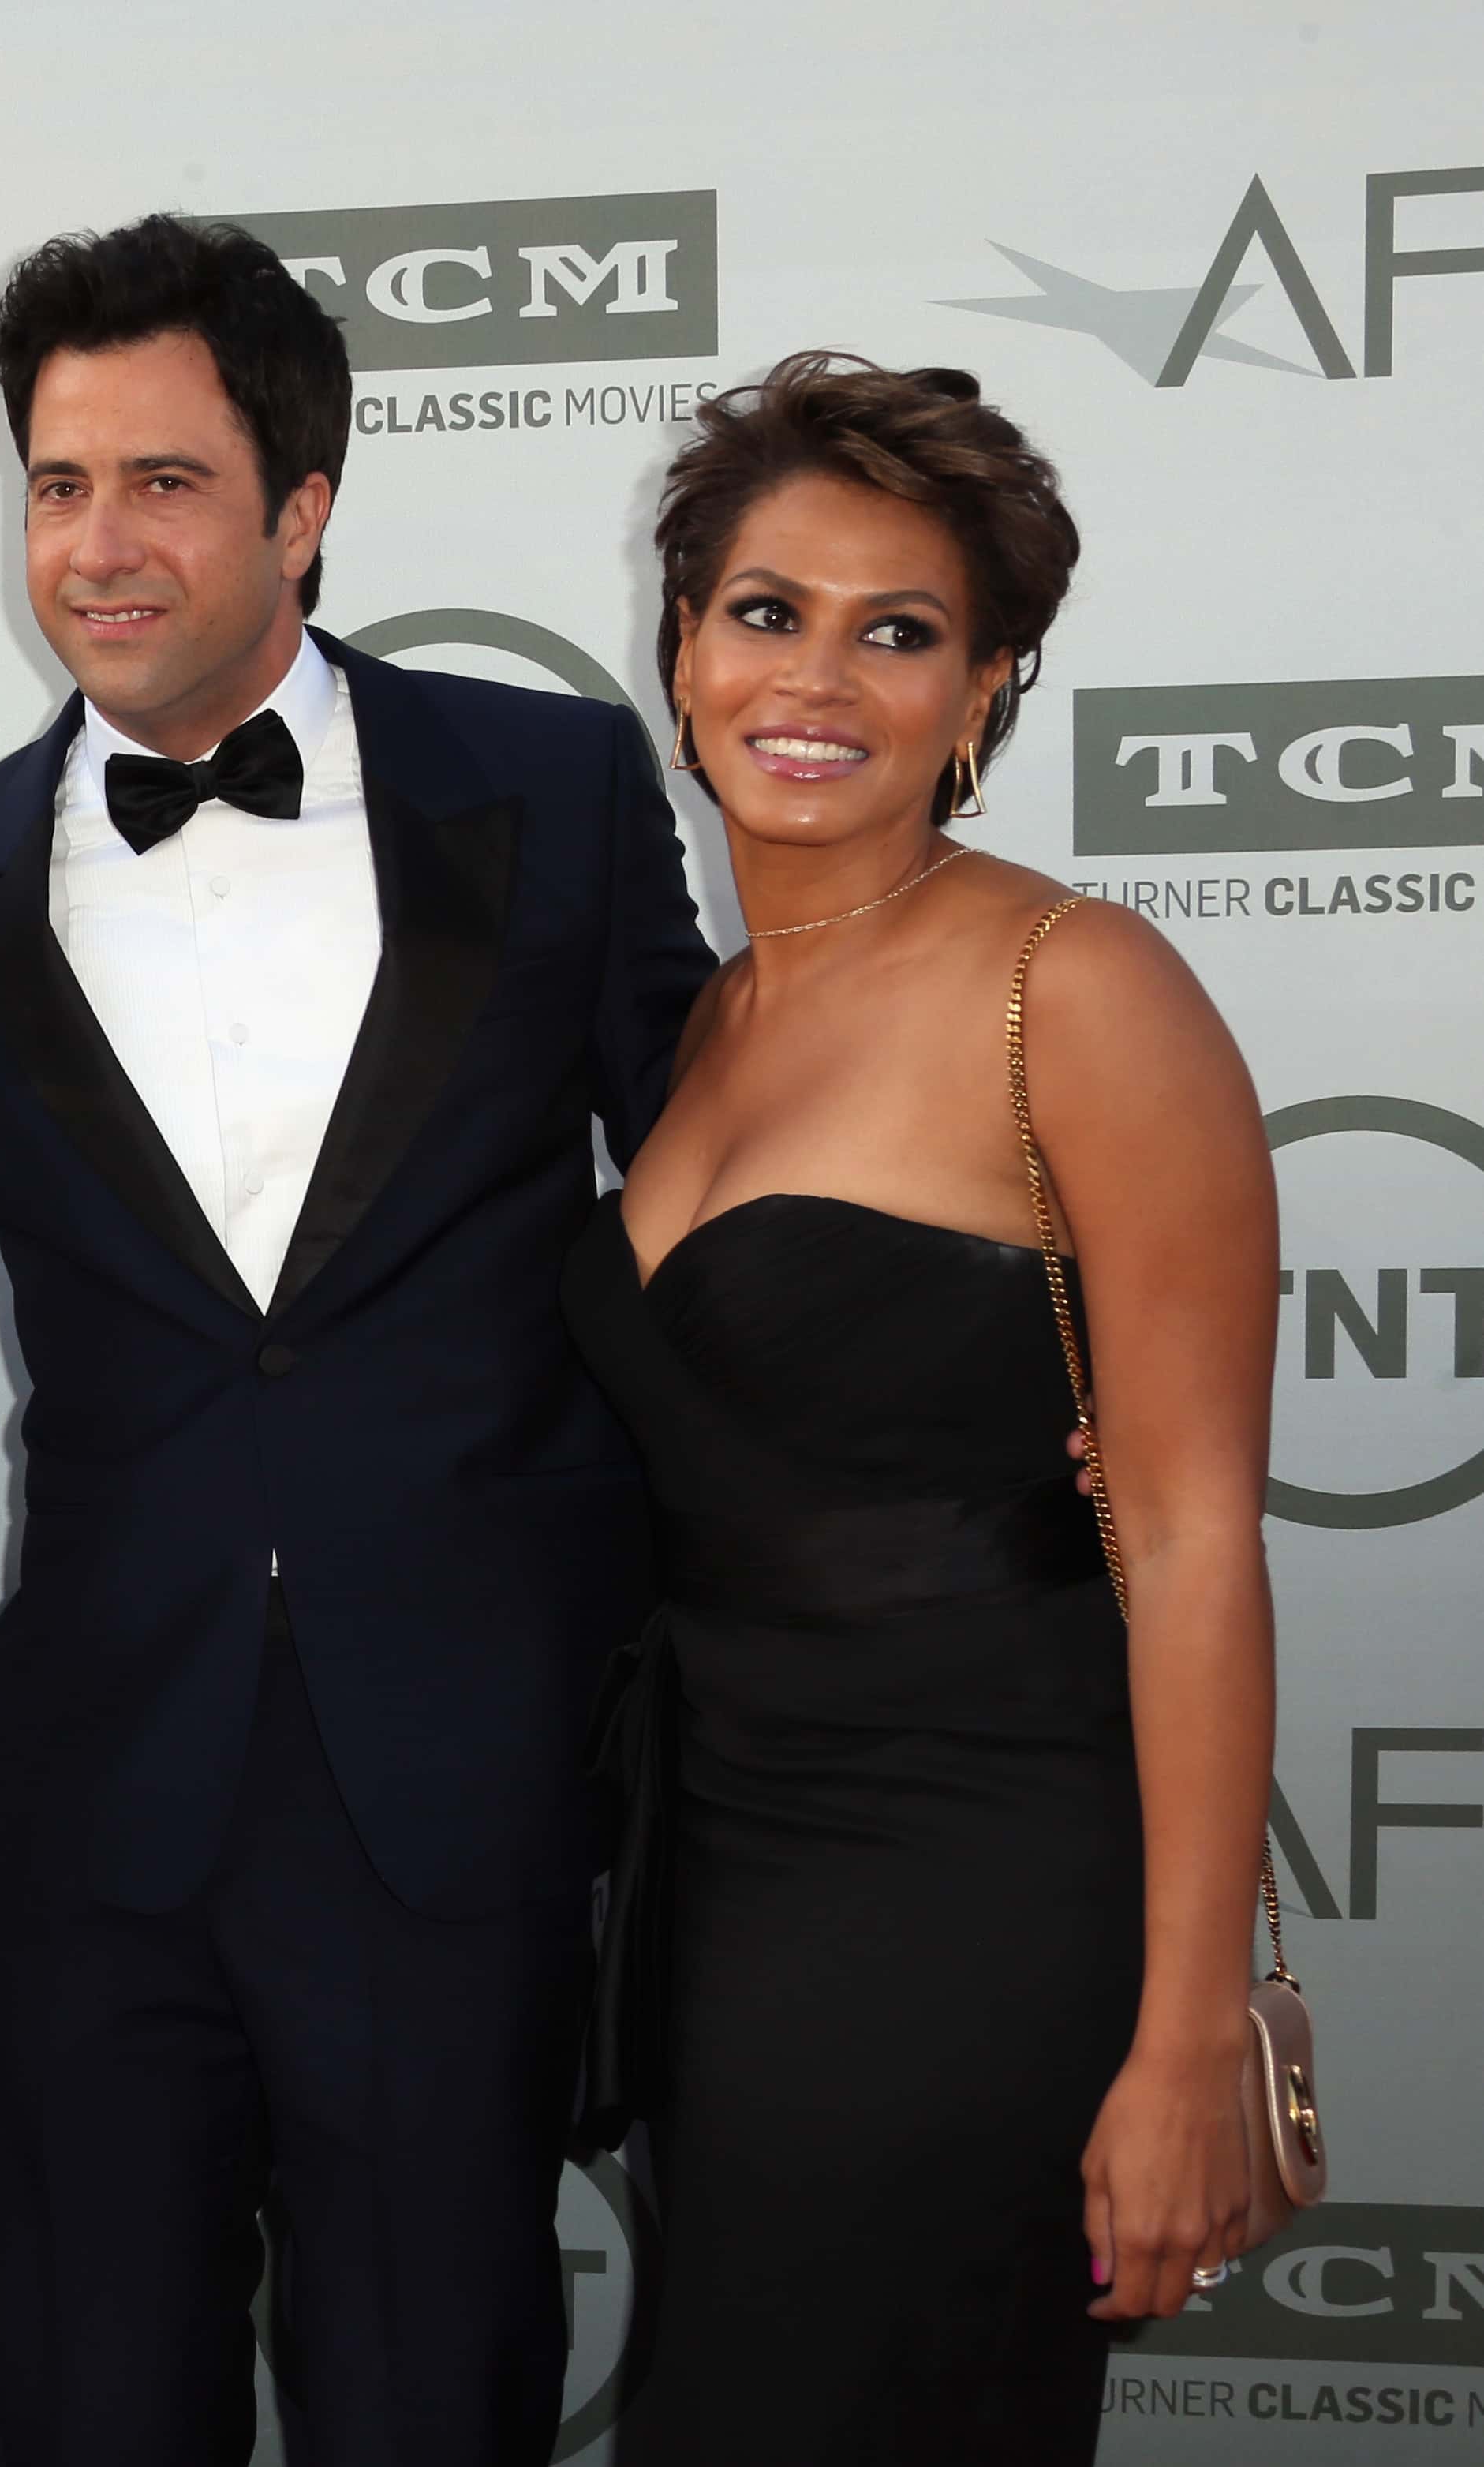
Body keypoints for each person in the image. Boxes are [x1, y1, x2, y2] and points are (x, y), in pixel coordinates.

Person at [0, 215, 714, 2465]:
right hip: (103, 1782)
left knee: (433, 2397)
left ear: (302, 504)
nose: (92, 546)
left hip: (461, 1767)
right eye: (53, 482)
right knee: (93, 2403)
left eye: (162, 481)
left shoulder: (555, 791)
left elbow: (718, 1227)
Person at [559, 353, 1278, 2461]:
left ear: (986, 687)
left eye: (902, 631)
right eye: (766, 610)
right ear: (680, 644)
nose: (817, 677)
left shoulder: (1078, 985)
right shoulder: (706, 1015)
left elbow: (1190, 1532)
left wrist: (1181, 2033)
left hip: (977, 1884)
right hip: (717, 1876)